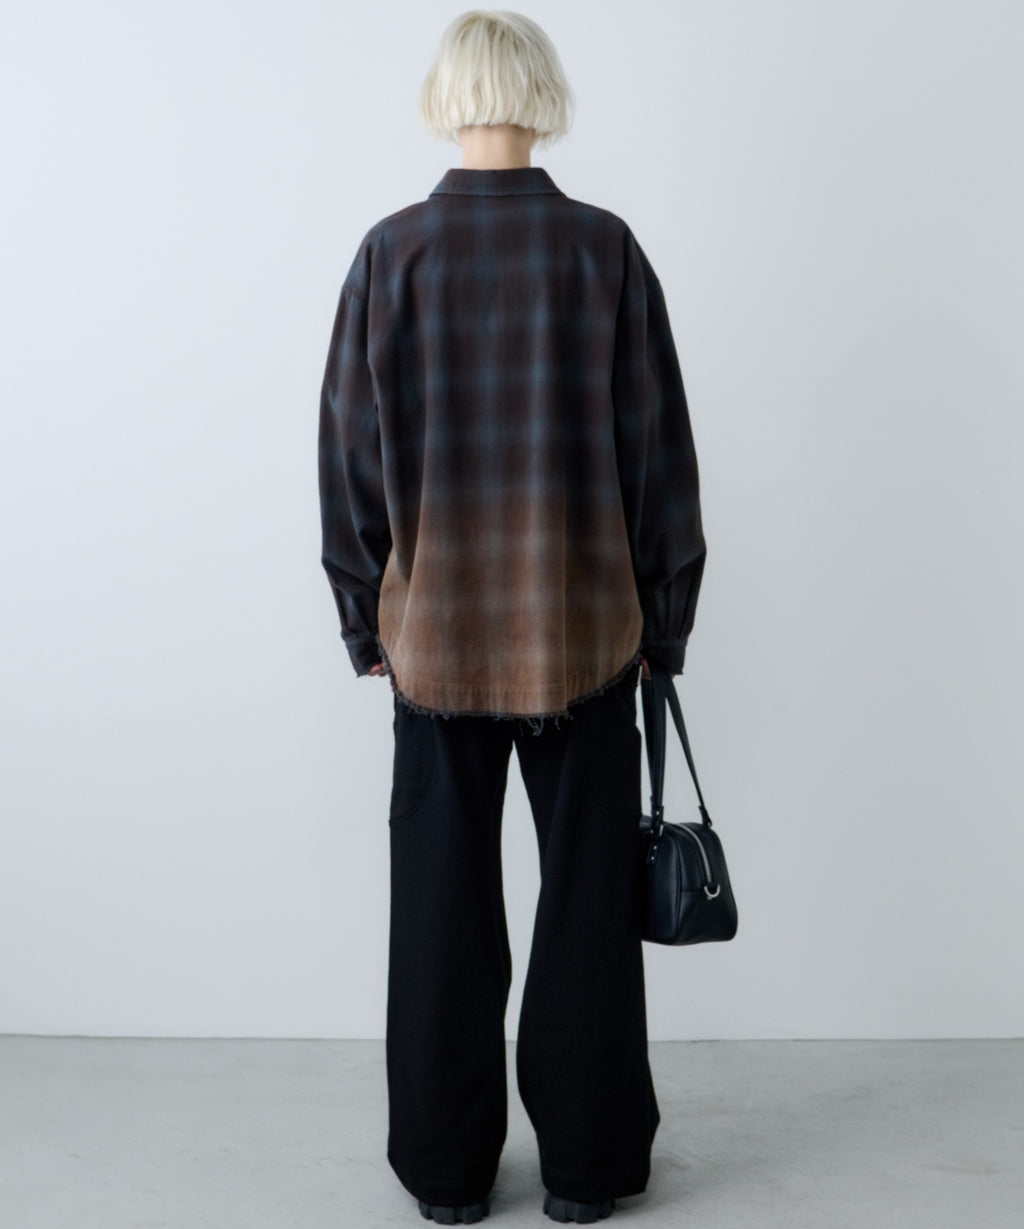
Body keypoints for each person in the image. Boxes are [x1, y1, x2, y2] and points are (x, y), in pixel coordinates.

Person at [318, 10, 706, 1225]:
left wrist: (365, 615)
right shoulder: (603, 252)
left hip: (434, 642)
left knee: (440, 909)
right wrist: (665, 620)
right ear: (541, 93)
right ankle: (586, 1170)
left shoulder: (391, 253)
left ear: (447, 96)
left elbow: (349, 458)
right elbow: (658, 456)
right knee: (586, 907)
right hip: (584, 637)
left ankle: (446, 1174)